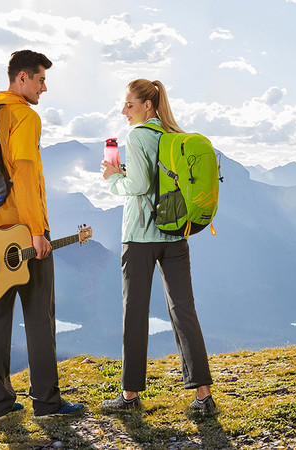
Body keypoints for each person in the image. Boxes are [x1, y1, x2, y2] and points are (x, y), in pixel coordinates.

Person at [0, 50, 84, 419]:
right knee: (39, 317)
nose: (44, 87)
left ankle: (0, 404)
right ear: (22, 78)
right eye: (40, 79)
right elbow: (23, 173)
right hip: (25, 231)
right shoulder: (25, 115)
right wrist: (37, 232)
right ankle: (47, 403)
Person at [100, 79, 216, 414]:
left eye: (130, 105)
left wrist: (112, 178)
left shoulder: (137, 136)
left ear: (147, 106)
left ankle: (130, 397)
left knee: (135, 313)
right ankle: (203, 397)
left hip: (139, 237)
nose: (124, 111)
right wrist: (127, 173)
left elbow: (137, 185)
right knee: (184, 310)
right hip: (175, 234)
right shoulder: (170, 136)